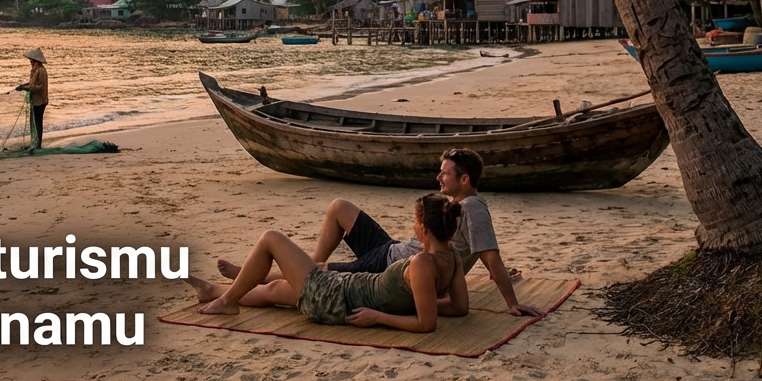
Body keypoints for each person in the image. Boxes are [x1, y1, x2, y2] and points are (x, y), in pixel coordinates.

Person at [218, 147, 543, 317]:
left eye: (445, 174)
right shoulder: (457, 204)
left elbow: (490, 256)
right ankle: (307, 264)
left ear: (465, 179)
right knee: (338, 207)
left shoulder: (472, 209)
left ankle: (265, 277)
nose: (438, 178)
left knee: (311, 278)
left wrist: (510, 302)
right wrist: (500, 274)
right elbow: (480, 255)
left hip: (389, 268)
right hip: (391, 249)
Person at [187, 193, 469, 333]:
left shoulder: (421, 262)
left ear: (421, 225)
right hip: (343, 290)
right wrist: (420, 302)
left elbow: (427, 323)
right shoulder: (452, 256)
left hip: (335, 298)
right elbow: (459, 308)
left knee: (270, 238)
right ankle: (215, 292)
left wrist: (378, 317)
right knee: (277, 291)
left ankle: (228, 302)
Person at [15, 48, 48, 148]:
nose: (31, 62)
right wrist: (23, 85)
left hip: (40, 100)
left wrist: (24, 88)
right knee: (34, 122)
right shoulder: (36, 70)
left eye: (32, 61)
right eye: (30, 61)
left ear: (37, 61)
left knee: (38, 122)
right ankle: (35, 142)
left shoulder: (41, 71)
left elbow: (36, 86)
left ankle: (37, 144)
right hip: (36, 100)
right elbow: (32, 83)